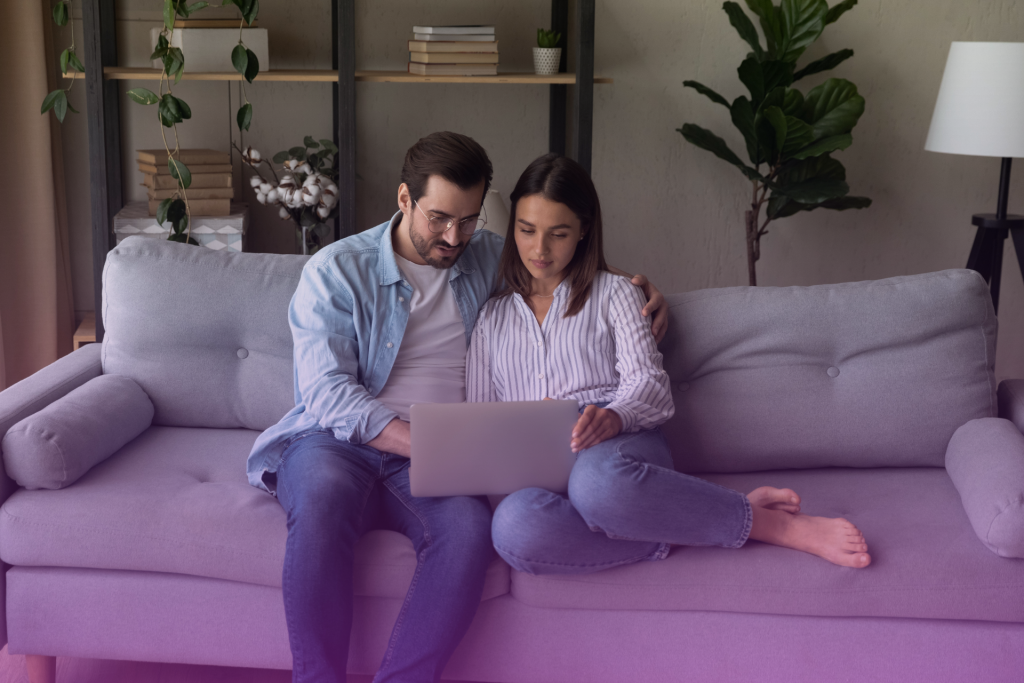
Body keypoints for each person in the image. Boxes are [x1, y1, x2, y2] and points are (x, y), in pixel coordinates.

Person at [245, 132, 670, 683]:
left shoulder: (487, 255)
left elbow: (565, 262)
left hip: (446, 453)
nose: (453, 237)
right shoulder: (335, 270)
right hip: (339, 442)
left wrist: (649, 297)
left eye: (469, 220)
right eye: (440, 218)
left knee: (469, 530)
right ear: (404, 199)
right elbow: (327, 392)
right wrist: (414, 439)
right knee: (322, 499)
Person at [468, 153, 872, 575]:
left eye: (559, 233)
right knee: (514, 526)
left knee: (597, 485)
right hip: (538, 474)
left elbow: (650, 386)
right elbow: (479, 420)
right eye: (526, 230)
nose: (540, 249)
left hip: (615, 452)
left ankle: (769, 526)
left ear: (584, 230)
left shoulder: (615, 294)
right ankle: (692, 523)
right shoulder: (491, 319)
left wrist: (613, 417)